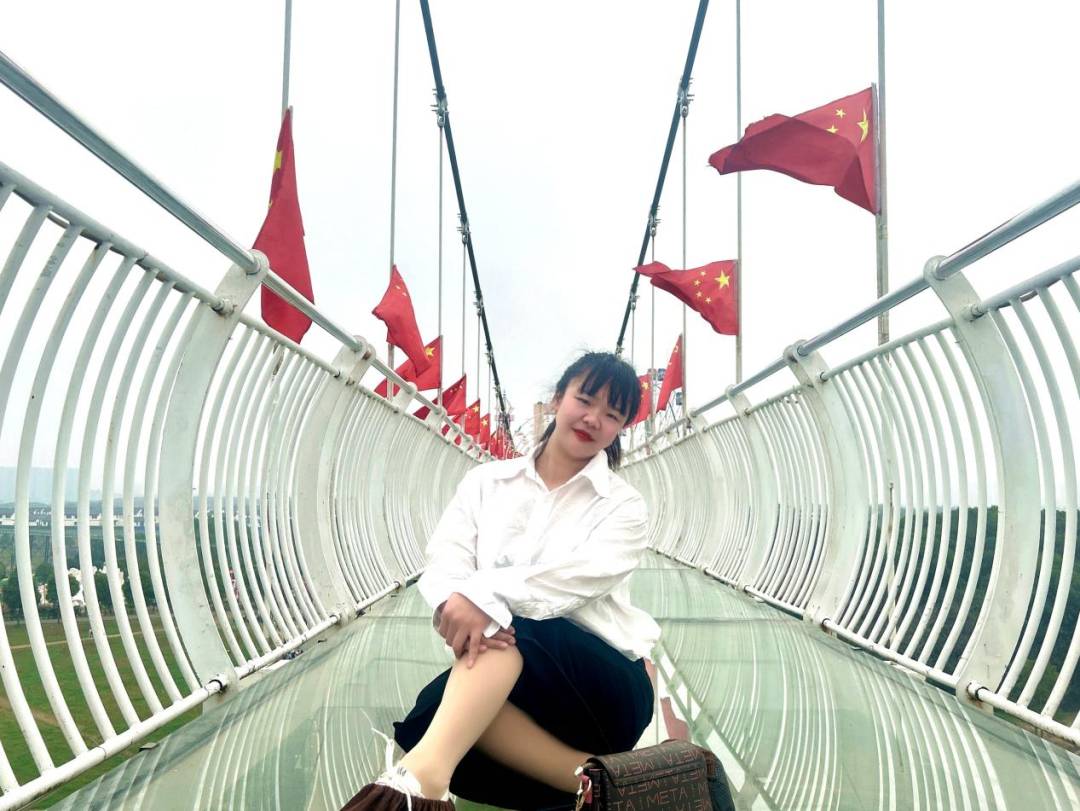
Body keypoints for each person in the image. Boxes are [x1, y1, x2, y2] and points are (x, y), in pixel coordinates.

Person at [343, 351, 661, 811]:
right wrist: (454, 600)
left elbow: (577, 580)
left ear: (620, 429)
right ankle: (593, 782)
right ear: (558, 398)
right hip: (524, 685)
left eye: (612, 415)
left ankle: (423, 780)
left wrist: (479, 595)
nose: (594, 419)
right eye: (585, 400)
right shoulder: (485, 483)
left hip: (604, 689)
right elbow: (446, 558)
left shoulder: (623, 505)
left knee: (515, 626)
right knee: (427, 717)